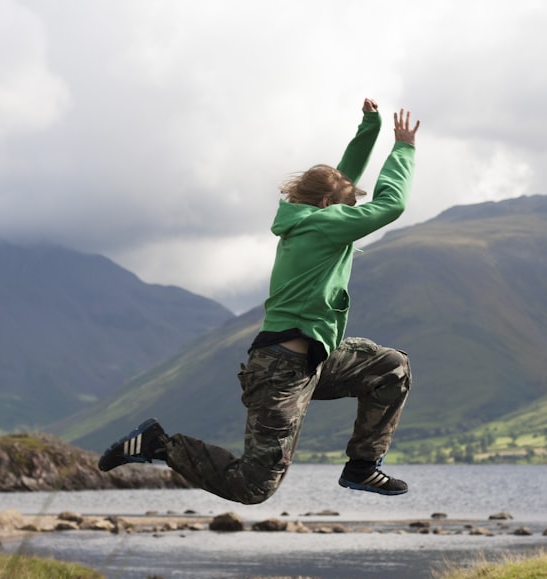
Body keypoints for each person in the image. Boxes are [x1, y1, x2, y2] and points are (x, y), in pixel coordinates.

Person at [98, 98, 420, 504]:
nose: (353, 213)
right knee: (254, 487)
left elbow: (342, 179)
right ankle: (160, 444)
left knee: (391, 368)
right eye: (348, 206)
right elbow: (392, 204)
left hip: (317, 360)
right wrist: (403, 147)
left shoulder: (312, 217)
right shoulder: (322, 225)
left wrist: (369, 128)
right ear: (327, 206)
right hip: (281, 371)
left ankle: (362, 466)